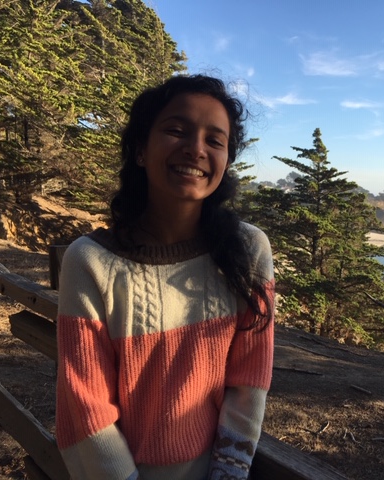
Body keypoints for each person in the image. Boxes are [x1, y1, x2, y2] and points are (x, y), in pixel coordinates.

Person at [55, 74, 275, 480]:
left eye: (215, 140)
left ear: (226, 160)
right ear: (141, 149)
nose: (196, 149)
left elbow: (250, 381)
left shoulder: (249, 250)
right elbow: (86, 406)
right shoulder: (91, 261)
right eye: (176, 130)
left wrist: (227, 472)